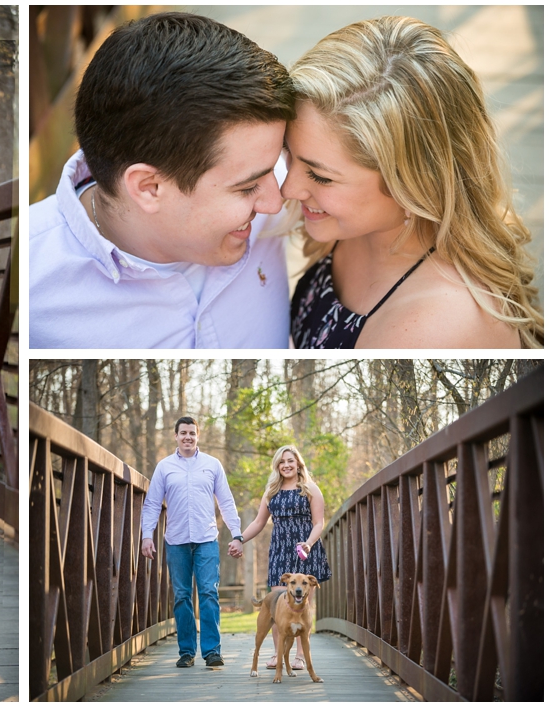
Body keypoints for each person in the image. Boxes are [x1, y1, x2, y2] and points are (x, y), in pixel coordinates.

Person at [30, 12, 295, 349]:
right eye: (247, 188)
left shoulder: (288, 185)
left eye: (273, 167)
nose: (278, 202)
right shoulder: (29, 286)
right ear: (149, 188)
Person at [285, 16, 543, 348]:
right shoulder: (355, 226)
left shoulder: (439, 329)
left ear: (414, 182)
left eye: (320, 176)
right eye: (287, 153)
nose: (286, 190)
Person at [141, 416, 245, 668]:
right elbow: (153, 503)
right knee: (181, 596)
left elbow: (226, 501)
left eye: (192, 433)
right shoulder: (164, 467)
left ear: (198, 436)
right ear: (175, 436)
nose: (188, 437)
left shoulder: (212, 464)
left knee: (209, 593)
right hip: (176, 541)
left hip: (206, 539)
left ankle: (212, 651)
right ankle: (187, 651)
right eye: (183, 433)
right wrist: (146, 535)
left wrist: (237, 534)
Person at [240, 444, 331, 671]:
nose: (286, 465)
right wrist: (239, 539)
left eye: (290, 460)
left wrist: (309, 544)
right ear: (277, 466)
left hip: (304, 549)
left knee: (301, 604)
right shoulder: (271, 491)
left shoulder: (310, 488)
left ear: (298, 463)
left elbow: (319, 523)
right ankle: (278, 654)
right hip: (279, 549)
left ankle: (300, 656)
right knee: (278, 603)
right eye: (282, 462)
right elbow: (259, 522)